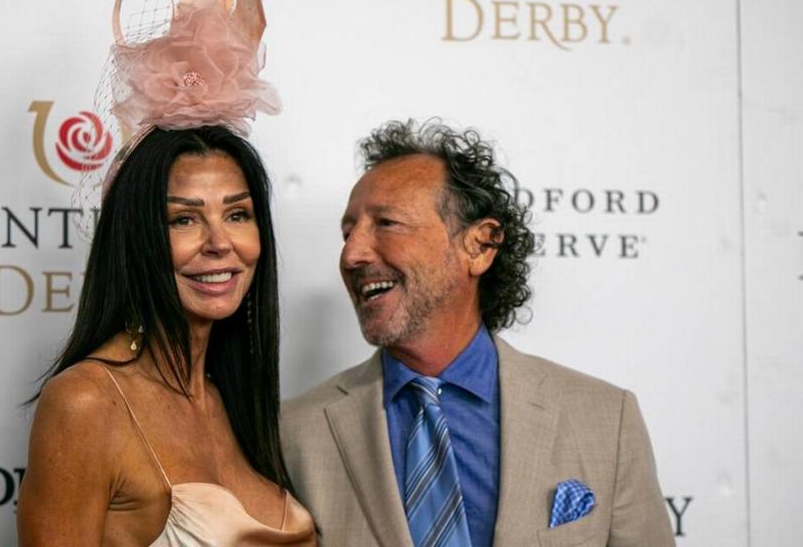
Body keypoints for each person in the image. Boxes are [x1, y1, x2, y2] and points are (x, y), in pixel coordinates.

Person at [17, 0, 316, 547]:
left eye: (237, 215)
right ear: (138, 239)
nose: (218, 243)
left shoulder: (239, 396)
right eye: (183, 218)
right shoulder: (86, 402)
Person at [281, 120, 674, 547]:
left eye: (387, 224)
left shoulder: (606, 420)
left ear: (480, 246)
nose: (352, 254)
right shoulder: (294, 432)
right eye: (347, 233)